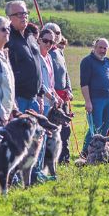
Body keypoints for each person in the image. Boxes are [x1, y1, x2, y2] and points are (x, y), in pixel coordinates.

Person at [4, 0, 43, 114]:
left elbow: (37, 65)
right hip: (18, 99)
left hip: (34, 98)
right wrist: (12, 99)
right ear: (9, 17)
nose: (23, 17)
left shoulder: (30, 36)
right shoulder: (7, 39)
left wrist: (40, 94)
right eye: (19, 14)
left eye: (25, 13)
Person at [43, 22, 73, 161]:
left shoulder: (59, 52)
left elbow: (65, 74)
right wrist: (54, 94)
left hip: (63, 97)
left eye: (58, 32)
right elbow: (48, 78)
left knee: (66, 129)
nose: (56, 35)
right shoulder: (45, 53)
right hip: (52, 97)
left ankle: (64, 157)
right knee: (52, 129)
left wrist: (69, 89)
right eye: (52, 32)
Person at [80, 38, 109, 149]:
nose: (102, 50)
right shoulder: (87, 61)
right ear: (94, 47)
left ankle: (100, 152)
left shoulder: (108, 62)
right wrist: (88, 101)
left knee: (105, 128)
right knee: (96, 128)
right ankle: (86, 152)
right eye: (100, 47)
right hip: (96, 100)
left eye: (105, 48)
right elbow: (84, 83)